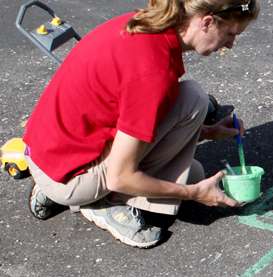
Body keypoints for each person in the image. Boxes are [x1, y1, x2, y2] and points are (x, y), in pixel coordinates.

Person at [23, 0, 260, 248]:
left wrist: (208, 132)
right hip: (70, 177)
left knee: (193, 133)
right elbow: (120, 176)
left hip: (47, 153)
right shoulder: (152, 70)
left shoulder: (146, 25)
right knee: (190, 172)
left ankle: (59, 188)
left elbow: (130, 111)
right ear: (207, 21)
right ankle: (102, 203)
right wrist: (195, 194)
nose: (231, 44)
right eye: (231, 34)